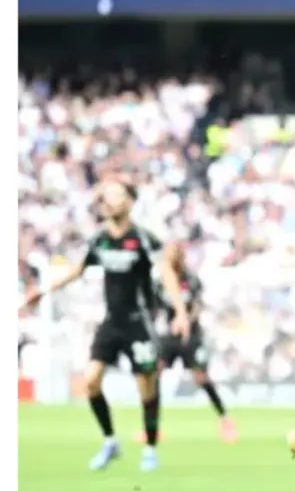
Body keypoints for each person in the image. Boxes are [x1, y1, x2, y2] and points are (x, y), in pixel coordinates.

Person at [22, 179, 190, 472]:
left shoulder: (143, 238)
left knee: (146, 389)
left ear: (129, 202)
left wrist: (180, 312)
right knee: (91, 381)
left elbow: (166, 273)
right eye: (107, 197)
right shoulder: (99, 240)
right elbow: (76, 270)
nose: (110, 202)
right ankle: (110, 440)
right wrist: (43, 289)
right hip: (112, 322)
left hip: (139, 323)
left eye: (117, 196)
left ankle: (150, 448)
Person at [155, 243, 237, 443]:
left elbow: (198, 306)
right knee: (154, 373)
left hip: (191, 335)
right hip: (169, 335)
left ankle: (225, 419)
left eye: (174, 253)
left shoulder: (191, 280)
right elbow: (154, 307)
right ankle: (152, 426)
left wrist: (185, 321)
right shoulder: (160, 282)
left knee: (200, 377)